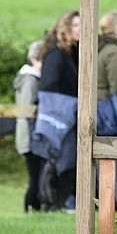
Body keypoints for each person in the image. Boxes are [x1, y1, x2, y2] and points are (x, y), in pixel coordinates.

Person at [33, 11, 81, 210]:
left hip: (69, 114)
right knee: (58, 159)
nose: (80, 29)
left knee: (69, 159)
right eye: (76, 25)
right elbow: (49, 86)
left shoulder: (72, 53)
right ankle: (53, 203)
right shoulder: (56, 54)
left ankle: (63, 202)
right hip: (58, 116)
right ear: (65, 28)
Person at [13, 40, 44, 211]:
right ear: (34, 59)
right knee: (35, 175)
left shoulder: (30, 79)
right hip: (29, 135)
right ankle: (31, 207)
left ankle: (33, 207)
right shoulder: (30, 81)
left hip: (28, 134)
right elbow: (26, 109)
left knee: (36, 174)